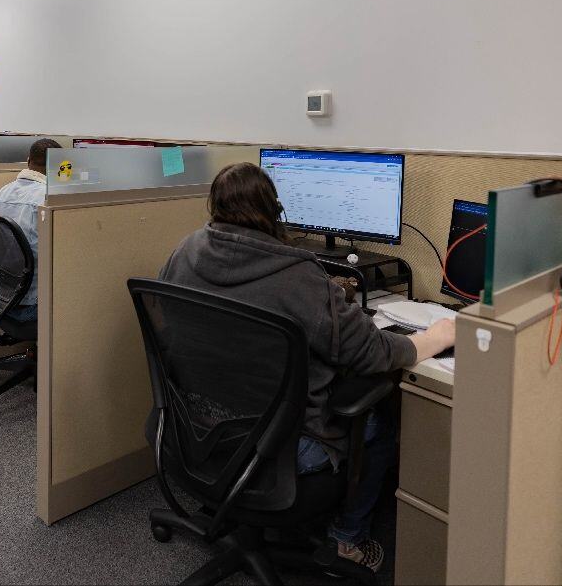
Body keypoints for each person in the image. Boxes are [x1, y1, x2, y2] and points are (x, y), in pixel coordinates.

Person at [158, 161, 456, 573]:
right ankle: (347, 542)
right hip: (280, 450)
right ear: (275, 211)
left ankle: (233, 504)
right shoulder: (297, 276)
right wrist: (435, 337)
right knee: (380, 420)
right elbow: (371, 353)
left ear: (214, 206)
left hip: (195, 429)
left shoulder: (183, 251)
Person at [0, 137, 61, 323]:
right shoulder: (49, 200)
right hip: (33, 304)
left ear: (28, 160)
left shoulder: (2, 193)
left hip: (3, 298)